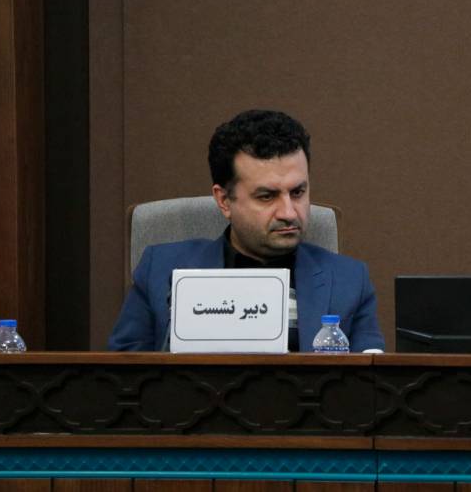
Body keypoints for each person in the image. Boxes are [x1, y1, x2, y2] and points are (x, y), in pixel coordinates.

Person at [108, 109, 385, 352]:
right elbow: (125, 379)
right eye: (266, 196)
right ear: (224, 200)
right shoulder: (160, 271)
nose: (289, 212)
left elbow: (367, 386)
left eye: (298, 192)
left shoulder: (350, 282)